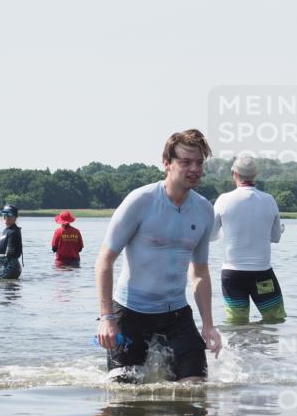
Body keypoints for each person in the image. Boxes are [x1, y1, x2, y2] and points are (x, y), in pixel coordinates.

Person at [94, 129, 222, 383]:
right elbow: (104, 261)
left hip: (176, 314)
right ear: (167, 163)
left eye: (198, 162)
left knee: (195, 390)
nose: (194, 169)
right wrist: (107, 318)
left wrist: (208, 324)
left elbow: (199, 273)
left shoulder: (205, 210)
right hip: (131, 313)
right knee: (124, 400)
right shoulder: (140, 201)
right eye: (185, 162)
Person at [211, 154, 285, 324]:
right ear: (256, 175)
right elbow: (275, 237)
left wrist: (228, 233)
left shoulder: (223, 200)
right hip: (262, 274)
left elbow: (211, 236)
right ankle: (268, 351)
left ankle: (237, 352)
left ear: (234, 173)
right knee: (275, 320)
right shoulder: (269, 200)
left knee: (236, 324)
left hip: (232, 275)